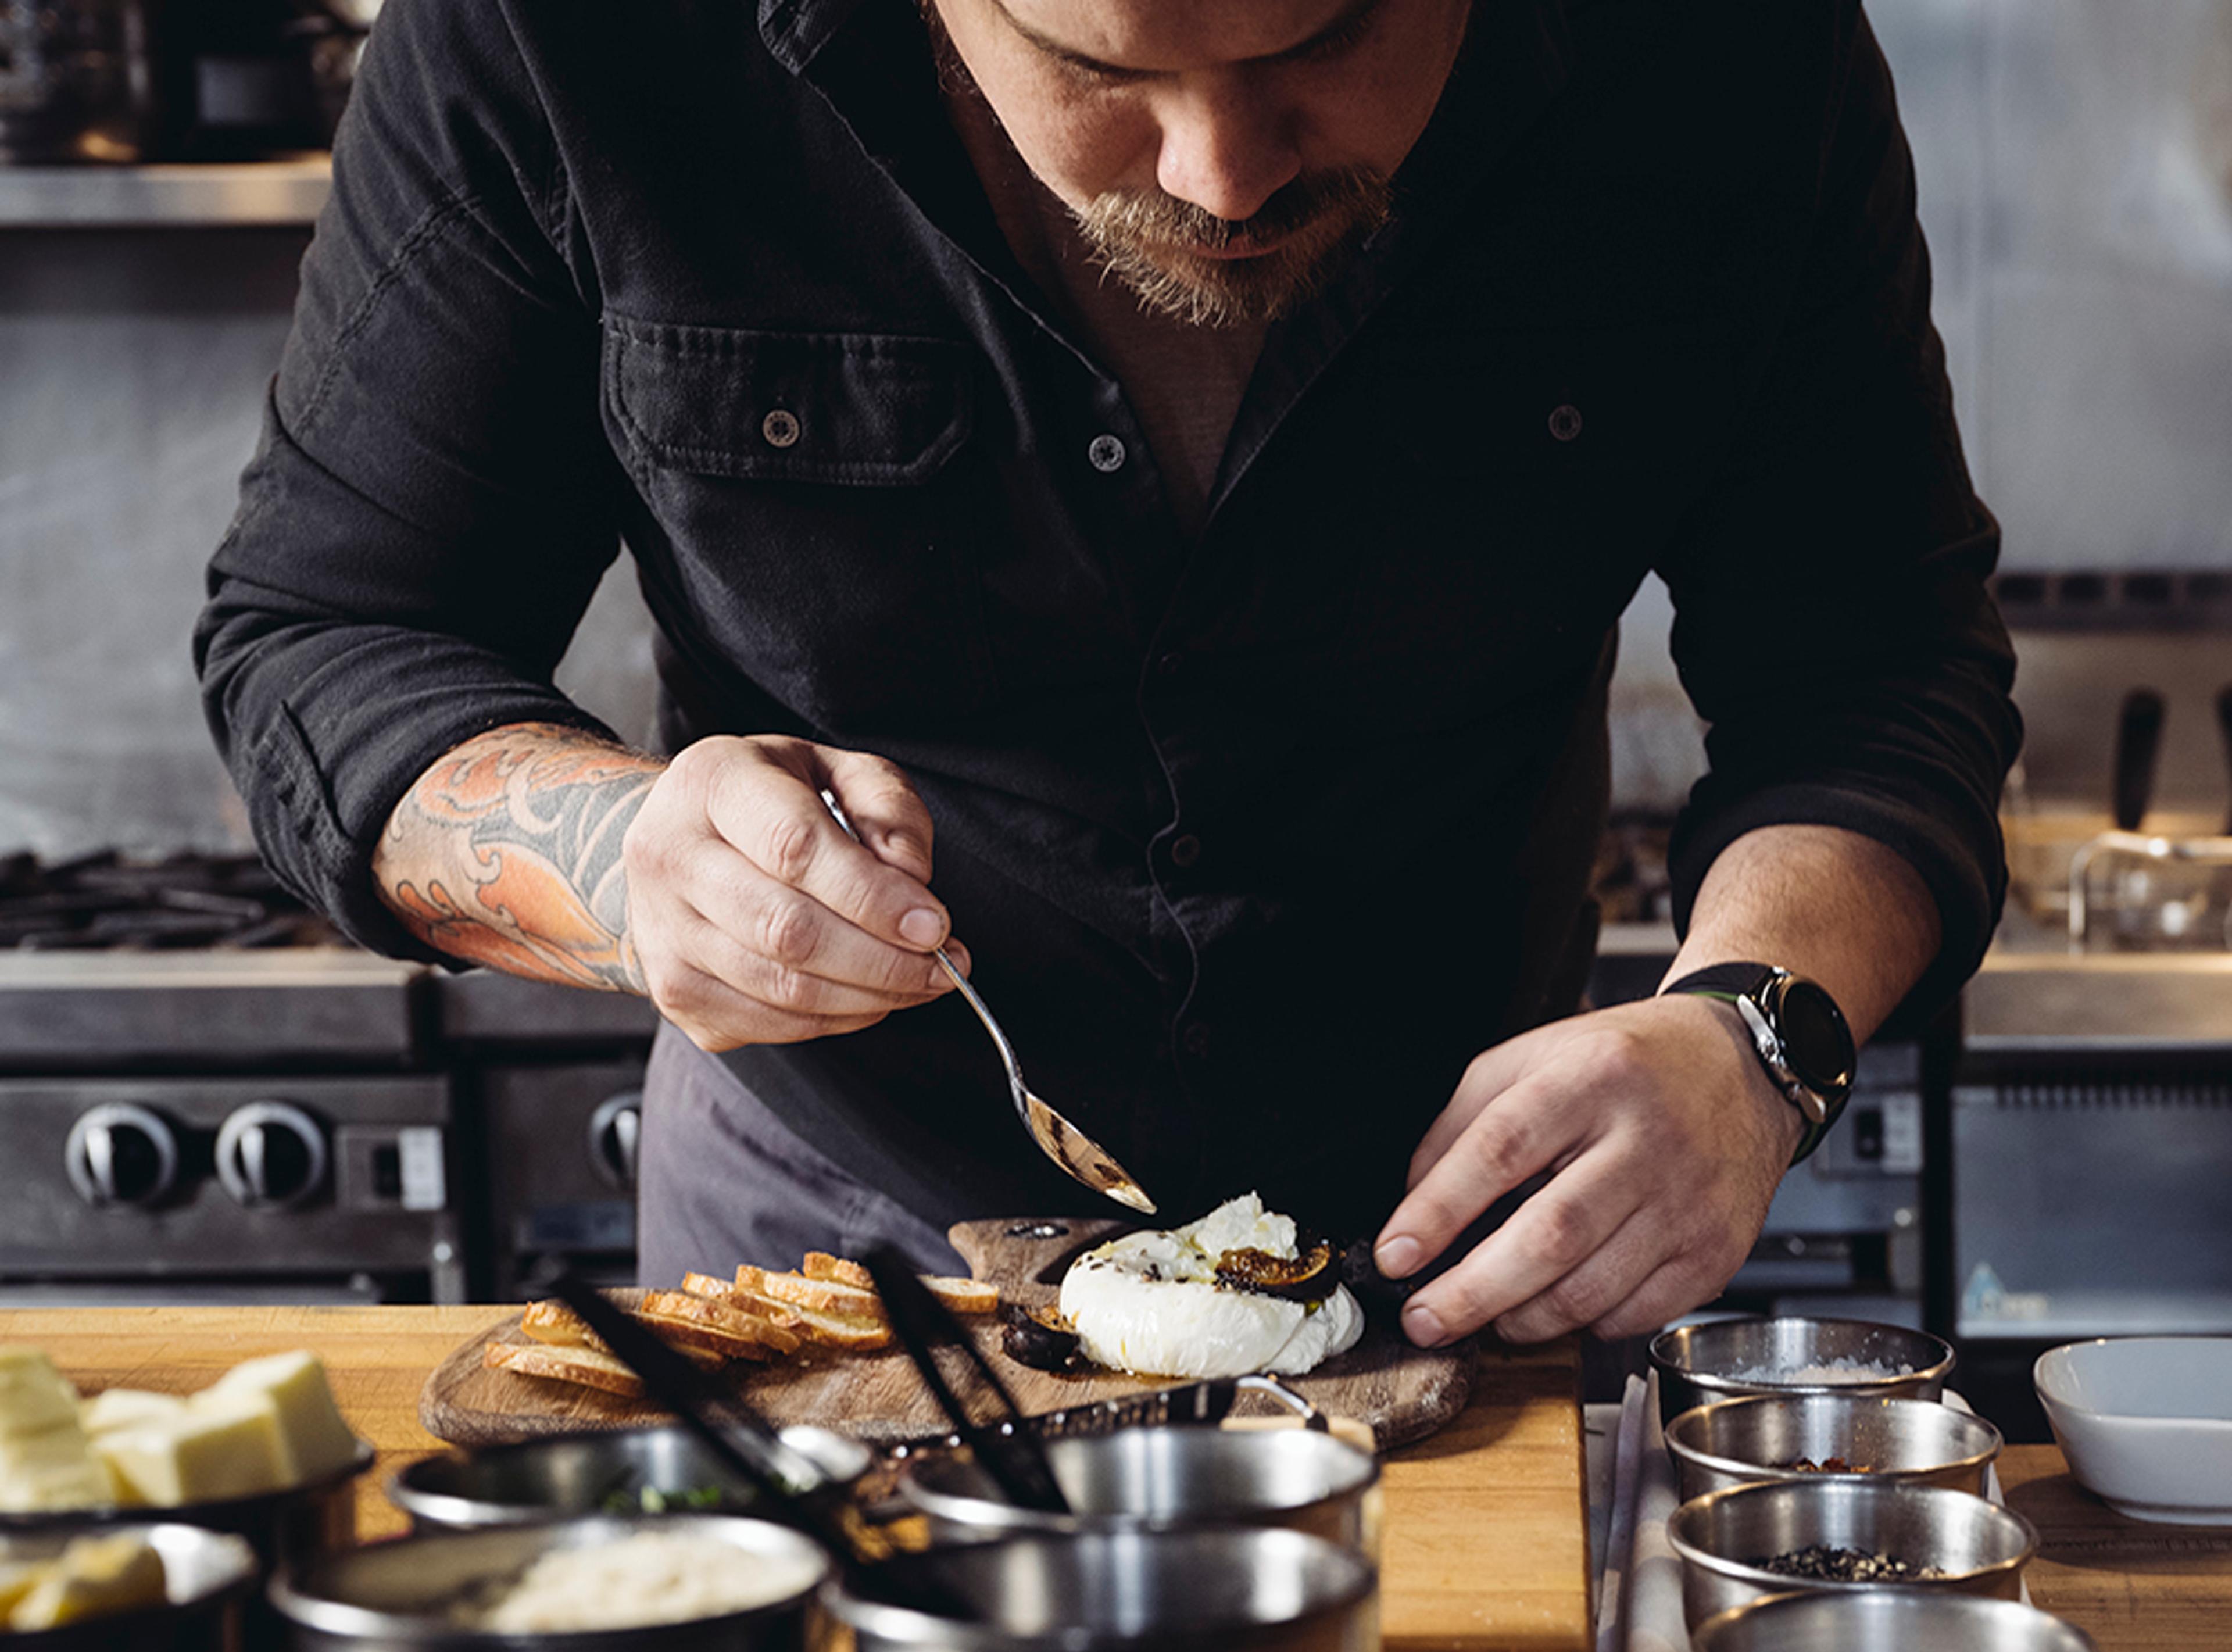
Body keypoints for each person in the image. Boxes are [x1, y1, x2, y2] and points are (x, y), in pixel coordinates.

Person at [196, 0, 2020, 1349]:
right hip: (840, 1268)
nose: (1222, 173)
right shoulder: (570, 36)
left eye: (1335, 34)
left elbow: (1877, 668)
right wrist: (620, 866)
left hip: (1478, 1255)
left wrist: (1755, 1040)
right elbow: (322, 642)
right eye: (1100, 72)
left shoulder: (1727, 51)